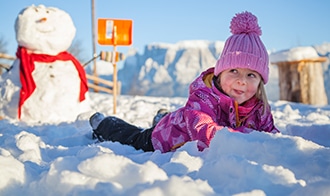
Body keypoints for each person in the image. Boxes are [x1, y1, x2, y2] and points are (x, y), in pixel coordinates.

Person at [89, 11, 280, 153]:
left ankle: (162, 117)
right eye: (234, 71)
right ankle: (104, 124)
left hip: (181, 123)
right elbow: (205, 131)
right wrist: (250, 140)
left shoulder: (259, 108)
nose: (241, 81)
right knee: (133, 138)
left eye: (251, 75)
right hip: (164, 140)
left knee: (171, 119)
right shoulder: (203, 97)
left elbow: (273, 137)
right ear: (220, 72)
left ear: (261, 81)